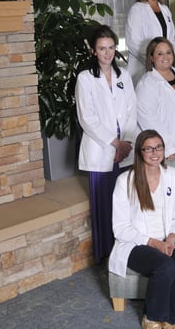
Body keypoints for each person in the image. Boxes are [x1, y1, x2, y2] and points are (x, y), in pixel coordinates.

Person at [109, 130, 175, 329]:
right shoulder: (125, 181)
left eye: (159, 147)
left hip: (169, 237)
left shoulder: (173, 176)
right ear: (140, 152)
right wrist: (155, 243)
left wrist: (171, 239)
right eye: (149, 148)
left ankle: (170, 320)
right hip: (137, 243)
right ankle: (152, 317)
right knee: (165, 266)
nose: (155, 153)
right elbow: (120, 228)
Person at [75, 24, 137, 263]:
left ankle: (128, 250)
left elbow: (132, 110)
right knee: (104, 204)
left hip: (125, 150)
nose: (108, 53)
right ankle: (106, 255)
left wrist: (126, 143)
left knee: (125, 203)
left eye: (111, 47)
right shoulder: (85, 78)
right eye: (102, 48)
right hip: (101, 151)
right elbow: (87, 118)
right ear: (93, 51)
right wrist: (115, 144)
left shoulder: (125, 75)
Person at [135, 37, 175, 158]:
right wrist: (167, 147)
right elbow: (148, 120)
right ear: (151, 58)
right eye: (160, 53)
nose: (165, 57)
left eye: (168, 52)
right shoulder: (146, 84)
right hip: (170, 149)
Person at [125, 0, 175, 84]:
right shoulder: (137, 10)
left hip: (163, 67)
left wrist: (167, 58)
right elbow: (133, 43)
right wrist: (154, 60)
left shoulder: (165, 10)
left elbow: (171, 39)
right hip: (142, 68)